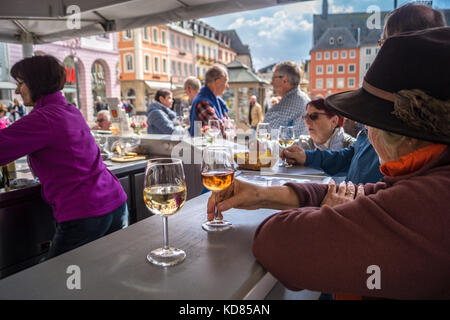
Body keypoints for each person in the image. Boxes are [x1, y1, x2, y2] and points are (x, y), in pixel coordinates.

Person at [208, 27, 450, 300]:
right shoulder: (428, 176)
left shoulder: (431, 201)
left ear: (396, 133)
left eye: (367, 121)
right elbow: (367, 194)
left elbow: (275, 242)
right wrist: (261, 194)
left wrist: (329, 212)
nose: (364, 131)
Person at [281, 2, 447, 186]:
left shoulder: (412, 125)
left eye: (385, 43)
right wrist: (308, 157)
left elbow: (389, 196)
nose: (381, 53)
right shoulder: (384, 104)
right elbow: (353, 155)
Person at [0, 55, 128, 259]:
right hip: (114, 202)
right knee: (106, 273)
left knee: (58, 281)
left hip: (85, 212)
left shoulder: (43, 118)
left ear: (36, 82)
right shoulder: (69, 109)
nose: (17, 91)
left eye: (20, 83)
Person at [263, 61, 310, 137]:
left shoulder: (284, 106)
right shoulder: (305, 98)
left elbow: (264, 133)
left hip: (288, 148)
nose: (271, 83)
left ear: (285, 80)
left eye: (273, 78)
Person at [189, 65, 230, 137]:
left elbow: (228, 125)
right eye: (226, 81)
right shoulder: (203, 102)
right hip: (203, 147)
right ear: (217, 82)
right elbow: (218, 129)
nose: (227, 86)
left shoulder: (216, 100)